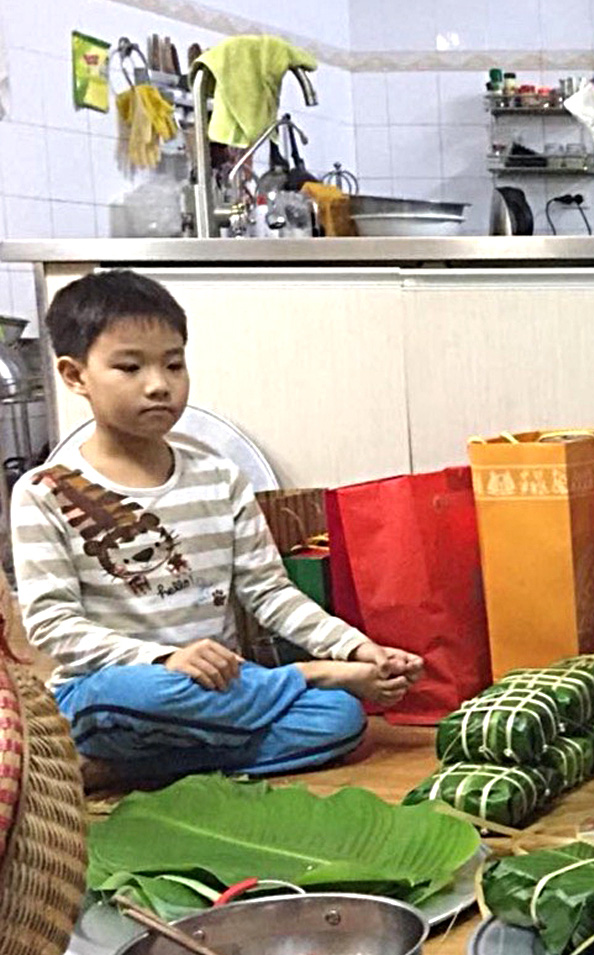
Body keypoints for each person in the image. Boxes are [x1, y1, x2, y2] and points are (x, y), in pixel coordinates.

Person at [11, 271, 422, 784]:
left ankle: (128, 773)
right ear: (75, 376)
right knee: (135, 695)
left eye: (174, 363)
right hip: (117, 696)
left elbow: (269, 592)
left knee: (339, 719)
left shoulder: (220, 479)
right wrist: (163, 658)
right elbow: (54, 626)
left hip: (221, 693)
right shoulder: (44, 491)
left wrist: (354, 647)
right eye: (129, 366)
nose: (159, 384)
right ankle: (300, 679)